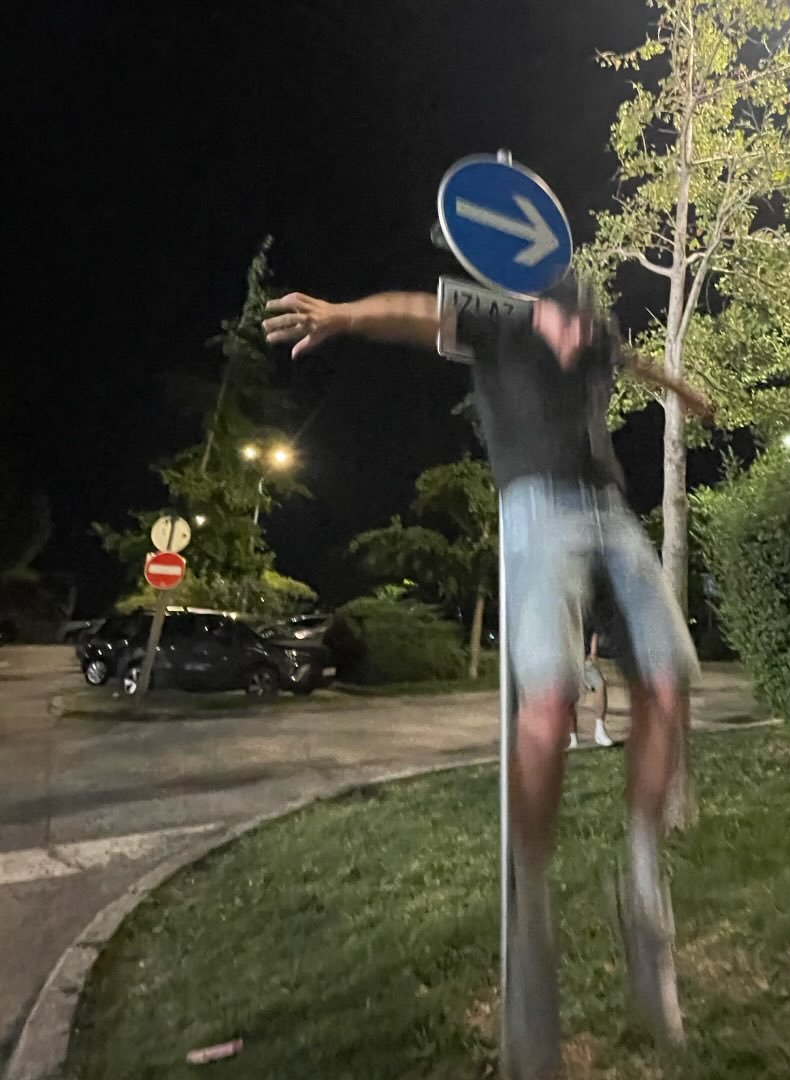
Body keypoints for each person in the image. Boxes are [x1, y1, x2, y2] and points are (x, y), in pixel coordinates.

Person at [263, 275, 708, 1079]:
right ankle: (531, 900)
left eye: (584, 337)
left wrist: (686, 394)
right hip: (537, 510)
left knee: (670, 680)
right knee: (550, 699)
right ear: (540, 317)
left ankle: (642, 871)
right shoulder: (501, 330)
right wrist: (341, 315)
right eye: (565, 334)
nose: (576, 349)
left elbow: (637, 363)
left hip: (612, 513)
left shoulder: (598, 341)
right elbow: (414, 314)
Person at [568, 631, 614, 750]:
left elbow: (595, 630)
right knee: (568, 697)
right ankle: (572, 738)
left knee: (600, 685)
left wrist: (593, 653)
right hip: (567, 659)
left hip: (586, 660)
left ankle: (600, 731)